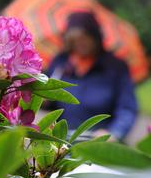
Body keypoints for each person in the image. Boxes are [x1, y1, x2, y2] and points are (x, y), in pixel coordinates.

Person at [47, 11, 138, 141]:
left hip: (98, 143)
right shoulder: (60, 62)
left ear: (96, 37)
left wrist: (115, 132)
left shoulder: (116, 67)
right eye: (74, 39)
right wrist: (44, 100)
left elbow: (127, 108)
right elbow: (52, 103)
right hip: (61, 142)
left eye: (85, 38)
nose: (80, 43)